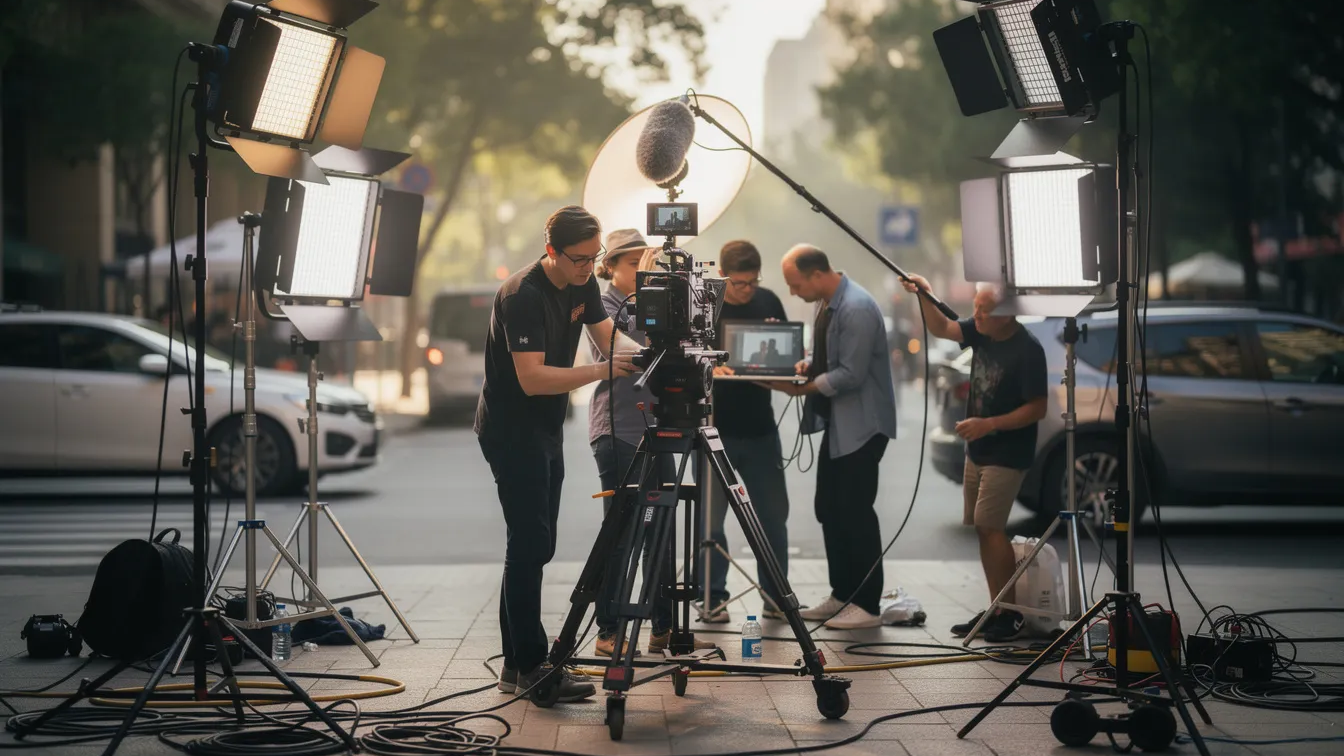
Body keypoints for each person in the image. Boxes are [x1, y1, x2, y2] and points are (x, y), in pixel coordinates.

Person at [475, 205, 642, 703]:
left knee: (537, 544)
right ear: (551, 251)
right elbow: (533, 378)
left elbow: (607, 336)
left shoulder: (583, 281)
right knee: (530, 543)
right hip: (510, 428)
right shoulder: (521, 295)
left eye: (594, 260)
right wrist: (602, 372)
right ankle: (531, 665)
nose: (587, 269)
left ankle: (515, 665)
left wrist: (647, 355)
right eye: (578, 260)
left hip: (545, 428)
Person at [587, 228, 717, 657]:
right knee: (623, 534)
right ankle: (609, 631)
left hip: (660, 426)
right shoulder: (604, 305)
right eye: (633, 265)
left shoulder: (651, 301)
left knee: (660, 527)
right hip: (619, 429)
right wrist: (648, 297)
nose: (645, 274)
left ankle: (663, 626)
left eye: (648, 264)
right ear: (610, 267)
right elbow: (630, 352)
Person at [902, 274, 1047, 642]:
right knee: (983, 530)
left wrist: (989, 424)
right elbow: (942, 327)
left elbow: (1037, 408)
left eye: (985, 309)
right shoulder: (982, 332)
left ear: (1008, 314)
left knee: (990, 526)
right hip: (978, 450)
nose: (976, 315)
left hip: (1007, 451)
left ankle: (1011, 614)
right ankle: (998, 606)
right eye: (976, 307)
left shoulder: (1028, 350)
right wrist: (926, 294)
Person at [768, 244, 896, 630]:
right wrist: (807, 364)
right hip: (842, 426)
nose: (792, 293)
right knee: (830, 508)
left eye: (794, 284)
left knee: (855, 512)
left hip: (862, 427)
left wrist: (802, 389)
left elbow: (851, 375)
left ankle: (867, 605)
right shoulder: (827, 302)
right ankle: (843, 595)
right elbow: (829, 357)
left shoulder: (855, 307)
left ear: (817, 275)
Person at [696, 240, 794, 624]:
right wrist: (710, 369)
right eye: (740, 283)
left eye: (753, 282)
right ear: (722, 276)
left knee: (772, 518)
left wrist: (779, 352)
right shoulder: (705, 305)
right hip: (713, 431)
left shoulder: (769, 302)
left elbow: (786, 360)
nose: (748, 289)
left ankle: (776, 596)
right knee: (710, 522)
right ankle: (711, 596)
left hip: (760, 429)